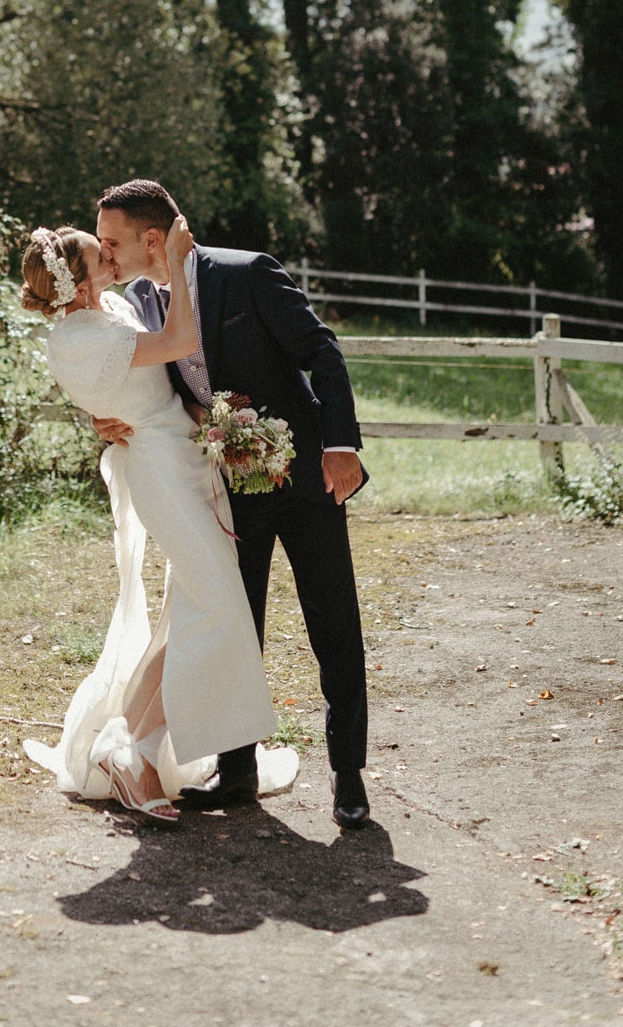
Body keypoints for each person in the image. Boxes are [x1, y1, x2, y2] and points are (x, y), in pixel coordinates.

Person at [94, 179, 372, 830]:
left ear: (152, 239)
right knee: (232, 628)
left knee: (333, 624)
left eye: (112, 243)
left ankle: (349, 777)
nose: (105, 255)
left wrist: (340, 445)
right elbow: (150, 392)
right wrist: (115, 420)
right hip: (223, 493)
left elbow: (321, 350)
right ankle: (237, 771)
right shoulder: (135, 304)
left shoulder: (246, 274)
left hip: (306, 483)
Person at [19, 216, 294, 824]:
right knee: (217, 606)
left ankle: (128, 743)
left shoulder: (105, 311)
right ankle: (135, 750)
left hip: (186, 461)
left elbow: (151, 380)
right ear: (81, 285)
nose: (112, 260)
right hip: (162, 476)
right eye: (101, 258)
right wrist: (175, 256)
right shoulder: (78, 339)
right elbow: (176, 345)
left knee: (189, 616)